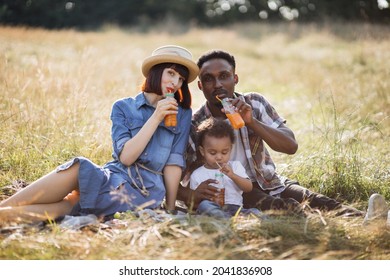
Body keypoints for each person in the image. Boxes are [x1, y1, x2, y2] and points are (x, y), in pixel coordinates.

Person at [0, 45, 199, 224]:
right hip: (112, 175)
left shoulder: (181, 113)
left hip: (142, 191)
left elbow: (173, 164)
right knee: (74, 186)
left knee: (74, 193)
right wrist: (156, 117)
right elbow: (126, 157)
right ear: (156, 72)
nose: (175, 82)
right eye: (171, 73)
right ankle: (4, 210)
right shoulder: (124, 107)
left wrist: (170, 209)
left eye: (180, 78)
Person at [178, 49, 363, 217]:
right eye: (209, 79)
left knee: (316, 200)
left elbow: (290, 146)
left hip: (271, 182)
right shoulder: (196, 125)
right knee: (278, 206)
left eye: (224, 76)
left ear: (235, 79)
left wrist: (251, 121)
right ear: (201, 86)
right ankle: (303, 219)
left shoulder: (254, 103)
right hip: (235, 189)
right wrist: (192, 194)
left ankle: (367, 219)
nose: (217, 84)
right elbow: (176, 177)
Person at [189, 118, 263, 218]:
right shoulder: (197, 174)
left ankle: (228, 219)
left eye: (224, 152)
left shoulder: (235, 166)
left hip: (235, 208)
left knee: (254, 212)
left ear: (230, 149)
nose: (219, 157)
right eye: (212, 153)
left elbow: (248, 188)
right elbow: (194, 203)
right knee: (204, 206)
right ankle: (228, 220)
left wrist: (233, 176)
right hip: (212, 207)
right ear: (202, 151)